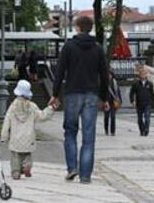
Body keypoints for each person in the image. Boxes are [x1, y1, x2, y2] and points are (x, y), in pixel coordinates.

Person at [49, 15, 108, 184]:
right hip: (91, 95)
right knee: (89, 136)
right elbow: (104, 75)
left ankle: (72, 168)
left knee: (70, 132)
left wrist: (55, 94)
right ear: (90, 28)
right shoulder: (97, 49)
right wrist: (104, 97)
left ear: (78, 27)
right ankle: (85, 175)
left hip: (72, 94)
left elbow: (59, 72)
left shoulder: (68, 47)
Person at [1, 80, 56, 180]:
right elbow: (42, 116)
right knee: (27, 154)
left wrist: (4, 136)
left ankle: (16, 171)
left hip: (15, 138)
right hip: (28, 137)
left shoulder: (12, 107)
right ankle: (27, 166)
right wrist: (50, 108)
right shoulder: (32, 106)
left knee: (15, 156)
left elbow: (6, 122)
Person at [130, 67, 154, 136]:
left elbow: (152, 94)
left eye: (144, 73)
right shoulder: (136, 84)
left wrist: (153, 103)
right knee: (140, 119)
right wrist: (132, 101)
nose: (143, 75)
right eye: (142, 73)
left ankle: (146, 129)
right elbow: (132, 93)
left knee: (147, 118)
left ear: (146, 74)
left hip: (147, 103)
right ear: (139, 75)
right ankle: (142, 130)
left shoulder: (150, 84)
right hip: (139, 103)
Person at [104, 70, 122, 136]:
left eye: (110, 75)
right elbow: (102, 93)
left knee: (113, 117)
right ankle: (106, 130)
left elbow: (118, 92)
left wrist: (120, 100)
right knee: (106, 117)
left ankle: (112, 131)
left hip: (113, 102)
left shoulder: (115, 83)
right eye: (108, 75)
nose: (109, 76)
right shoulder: (104, 83)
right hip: (106, 102)